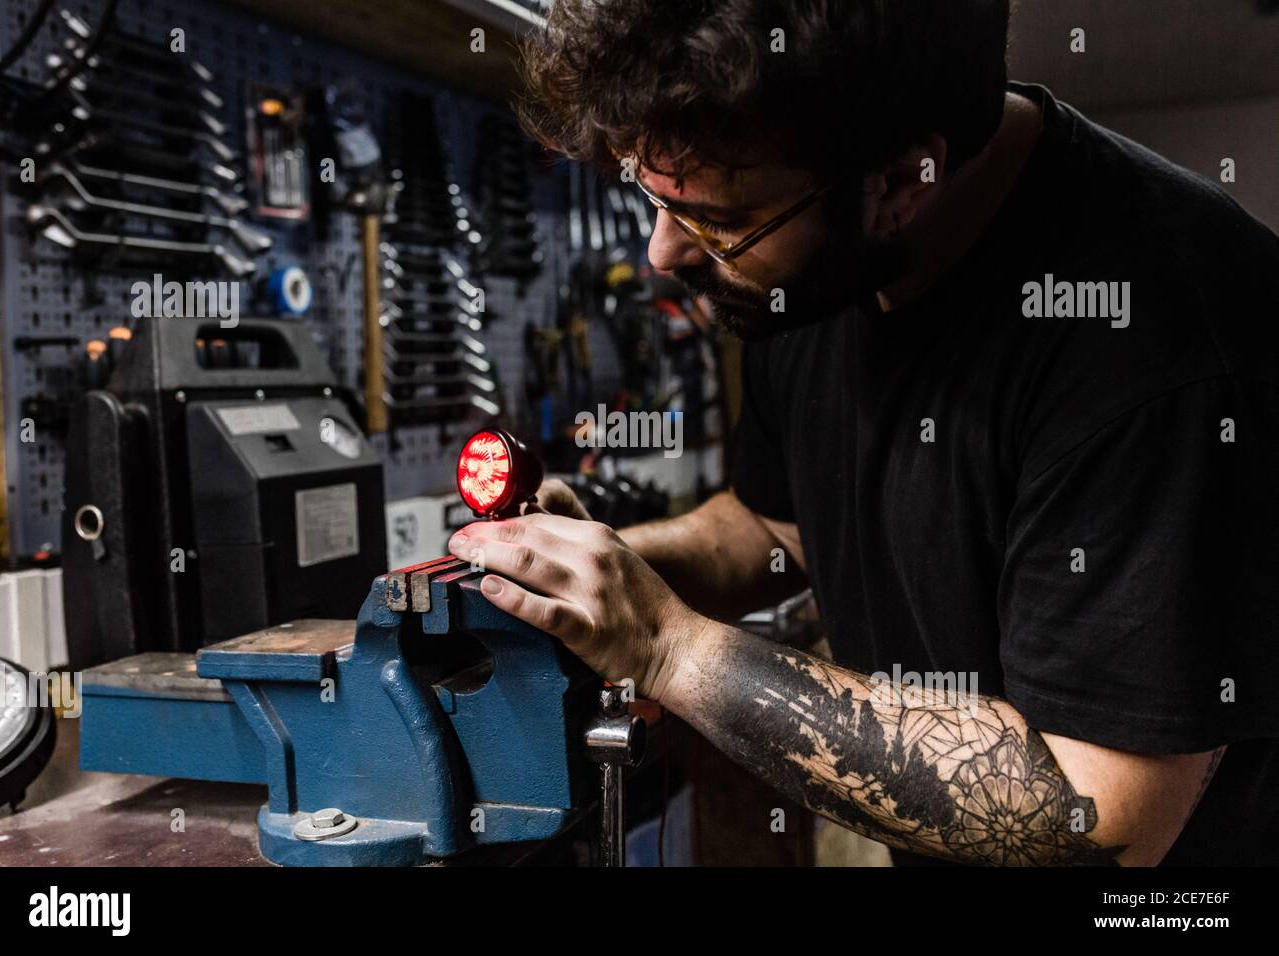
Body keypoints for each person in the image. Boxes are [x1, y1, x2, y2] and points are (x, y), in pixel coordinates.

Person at [448, 0, 1279, 865]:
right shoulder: (807, 267)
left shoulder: (1163, 346)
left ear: (900, 183)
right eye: (654, 199)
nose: (664, 253)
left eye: (718, 223)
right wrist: (595, 577)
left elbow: (1102, 810)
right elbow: (772, 527)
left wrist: (668, 649)